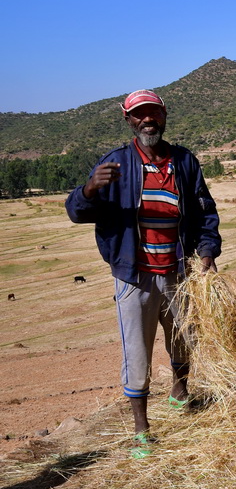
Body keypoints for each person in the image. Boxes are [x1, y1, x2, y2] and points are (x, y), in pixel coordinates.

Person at [65, 90, 221, 456]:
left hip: (178, 271)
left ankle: (180, 393)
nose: (147, 120)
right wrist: (88, 190)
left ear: (164, 117)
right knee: (137, 352)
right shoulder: (116, 164)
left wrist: (209, 251)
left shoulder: (183, 161)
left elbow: (204, 212)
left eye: (153, 113)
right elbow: (76, 211)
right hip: (134, 275)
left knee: (184, 338)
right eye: (140, 115)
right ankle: (142, 428)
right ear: (128, 120)